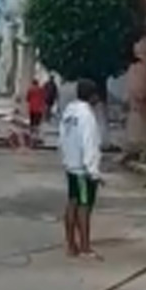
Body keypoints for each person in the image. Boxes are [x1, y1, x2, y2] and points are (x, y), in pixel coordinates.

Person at [59, 79, 103, 258]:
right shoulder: (87, 116)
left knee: (72, 202)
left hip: (71, 165)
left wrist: (66, 158)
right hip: (83, 170)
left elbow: (62, 139)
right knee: (84, 207)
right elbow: (89, 144)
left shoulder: (69, 112)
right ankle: (85, 247)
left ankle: (71, 244)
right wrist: (93, 171)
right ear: (92, 96)